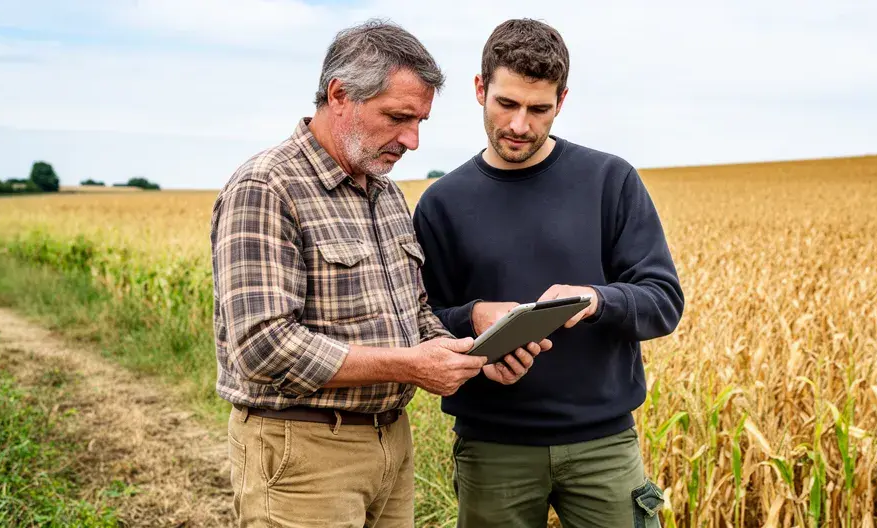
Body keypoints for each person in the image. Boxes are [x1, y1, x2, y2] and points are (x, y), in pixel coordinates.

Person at [209, 19, 547, 527]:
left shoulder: (385, 193)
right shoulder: (266, 187)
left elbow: (415, 312)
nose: (412, 140)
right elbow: (262, 345)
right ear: (339, 95)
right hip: (302, 452)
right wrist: (410, 365)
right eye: (397, 117)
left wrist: (474, 355)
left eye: (420, 121)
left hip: (391, 443)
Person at [412, 18, 685, 528]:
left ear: (562, 101)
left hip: (604, 447)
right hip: (492, 449)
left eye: (539, 109)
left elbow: (664, 301)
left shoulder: (610, 180)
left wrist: (596, 300)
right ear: (480, 89)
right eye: (506, 104)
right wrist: (475, 320)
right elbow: (419, 321)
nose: (520, 125)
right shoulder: (441, 204)